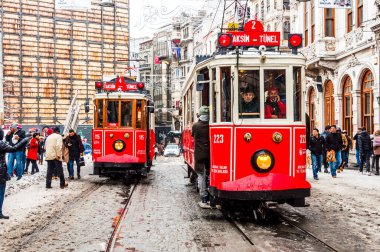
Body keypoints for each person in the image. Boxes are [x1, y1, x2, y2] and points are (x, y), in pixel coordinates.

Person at [0, 128, 30, 219]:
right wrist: (24, 140)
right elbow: (14, 148)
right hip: (0, 171)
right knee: (1, 192)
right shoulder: (1, 144)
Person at [192, 106, 211, 209]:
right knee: (209, 173)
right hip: (210, 154)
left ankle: (203, 198)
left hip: (199, 154)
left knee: (201, 175)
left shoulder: (196, 126)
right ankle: (210, 194)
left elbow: (192, 135)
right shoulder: (211, 125)